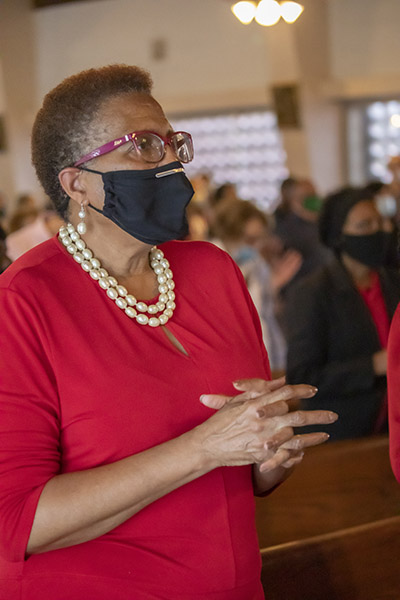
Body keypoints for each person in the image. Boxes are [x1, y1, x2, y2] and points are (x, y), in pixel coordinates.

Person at [0, 65, 337, 600]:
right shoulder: (23, 302)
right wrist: (202, 449)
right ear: (77, 183)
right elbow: (16, 523)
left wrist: (267, 458)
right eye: (144, 147)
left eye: (174, 145)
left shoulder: (212, 270)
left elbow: (238, 456)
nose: (172, 162)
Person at [285, 187, 400, 440]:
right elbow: (303, 377)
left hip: (392, 427)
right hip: (342, 432)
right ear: (339, 235)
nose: (379, 231)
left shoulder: (393, 282)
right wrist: (374, 365)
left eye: (381, 222)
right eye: (364, 225)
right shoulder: (313, 293)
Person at [212, 198, 301, 374]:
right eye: (250, 239)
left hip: (270, 352)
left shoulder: (255, 262)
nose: (256, 245)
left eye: (259, 239)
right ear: (229, 233)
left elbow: (266, 310)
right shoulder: (211, 263)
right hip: (234, 359)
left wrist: (274, 287)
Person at [273, 177, 332, 292]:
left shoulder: (323, 222)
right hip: (302, 289)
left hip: (325, 287)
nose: (313, 198)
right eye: (308, 195)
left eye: (314, 194)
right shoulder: (286, 229)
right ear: (295, 199)